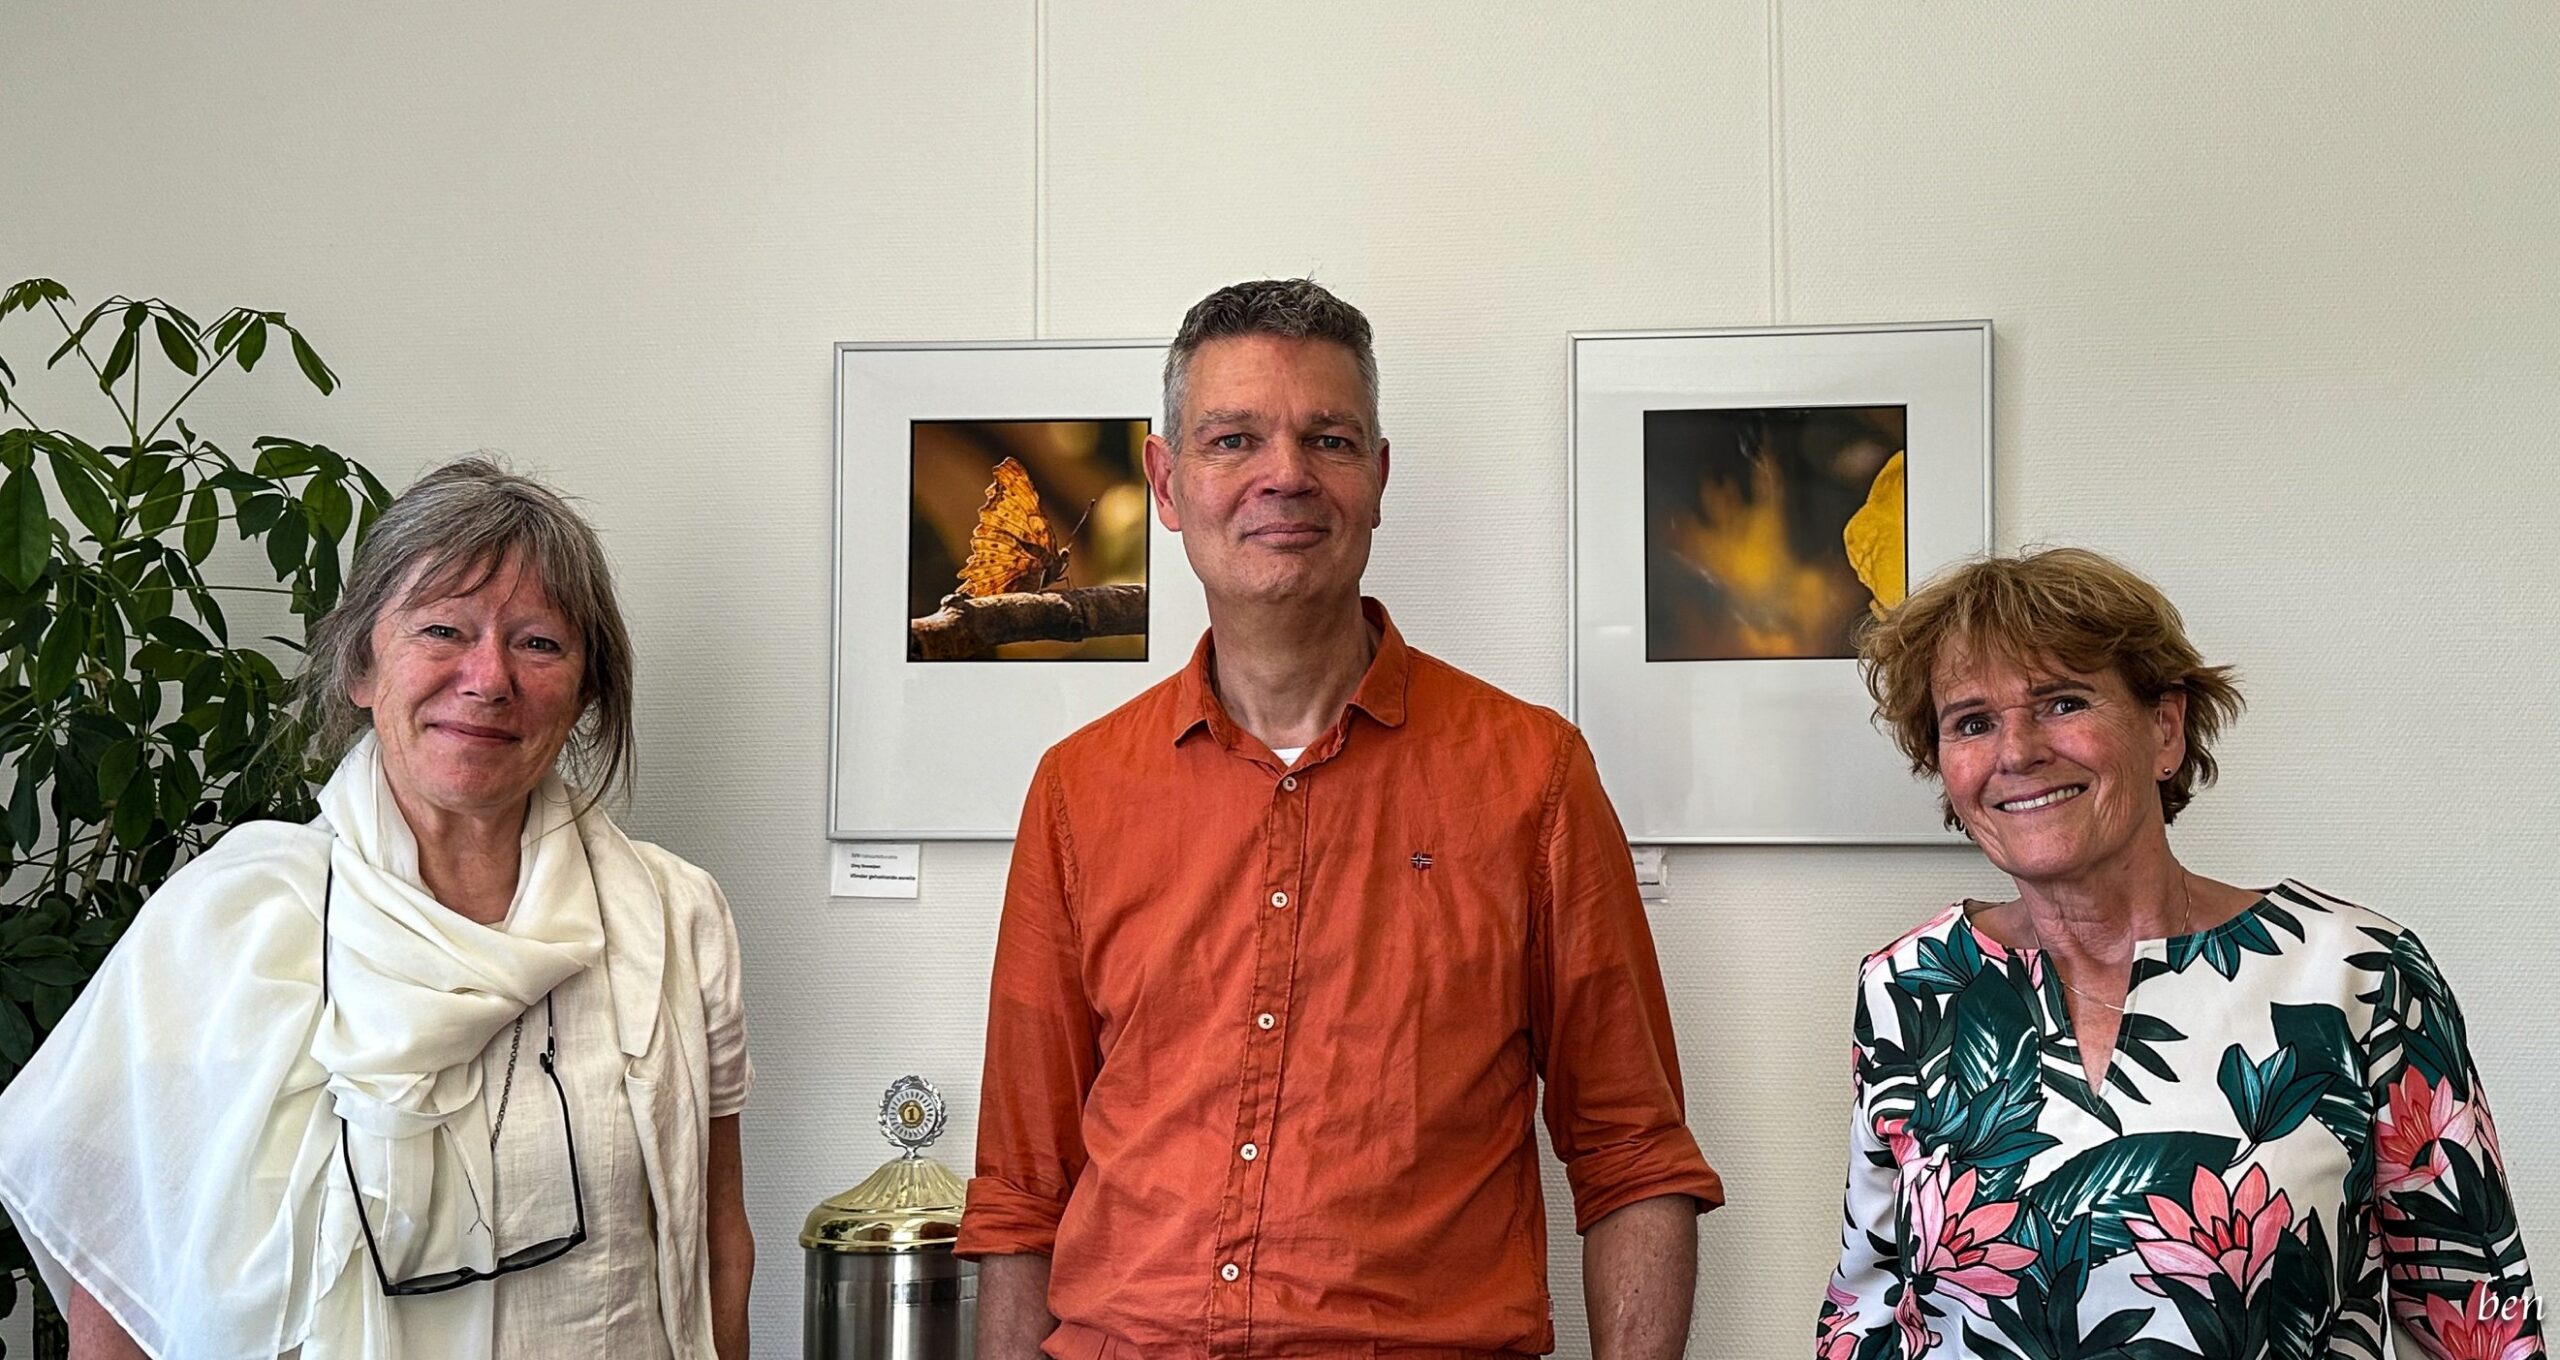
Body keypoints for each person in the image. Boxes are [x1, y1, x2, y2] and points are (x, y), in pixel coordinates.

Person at [959, 279, 1722, 1360]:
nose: (1285, 474)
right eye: (1233, 439)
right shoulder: (1077, 792)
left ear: (1376, 477)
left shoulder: (1532, 775)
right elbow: (1020, 1191)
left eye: (1327, 438)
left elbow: (1633, 1156)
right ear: (1167, 484)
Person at [0, 460, 755, 1359]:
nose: (488, 678)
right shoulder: (230, 923)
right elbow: (123, 1277)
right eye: (443, 629)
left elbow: (718, 1241)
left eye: (539, 643)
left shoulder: (674, 915)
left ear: (587, 690)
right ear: (361, 665)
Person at [1818, 547, 2542, 1360]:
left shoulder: (2357, 975)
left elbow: (2483, 1328)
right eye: (1973, 722)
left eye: (2060, 703)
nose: (2015, 752)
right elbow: (1866, 1313)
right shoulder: (1910, 985)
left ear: (2166, 728)